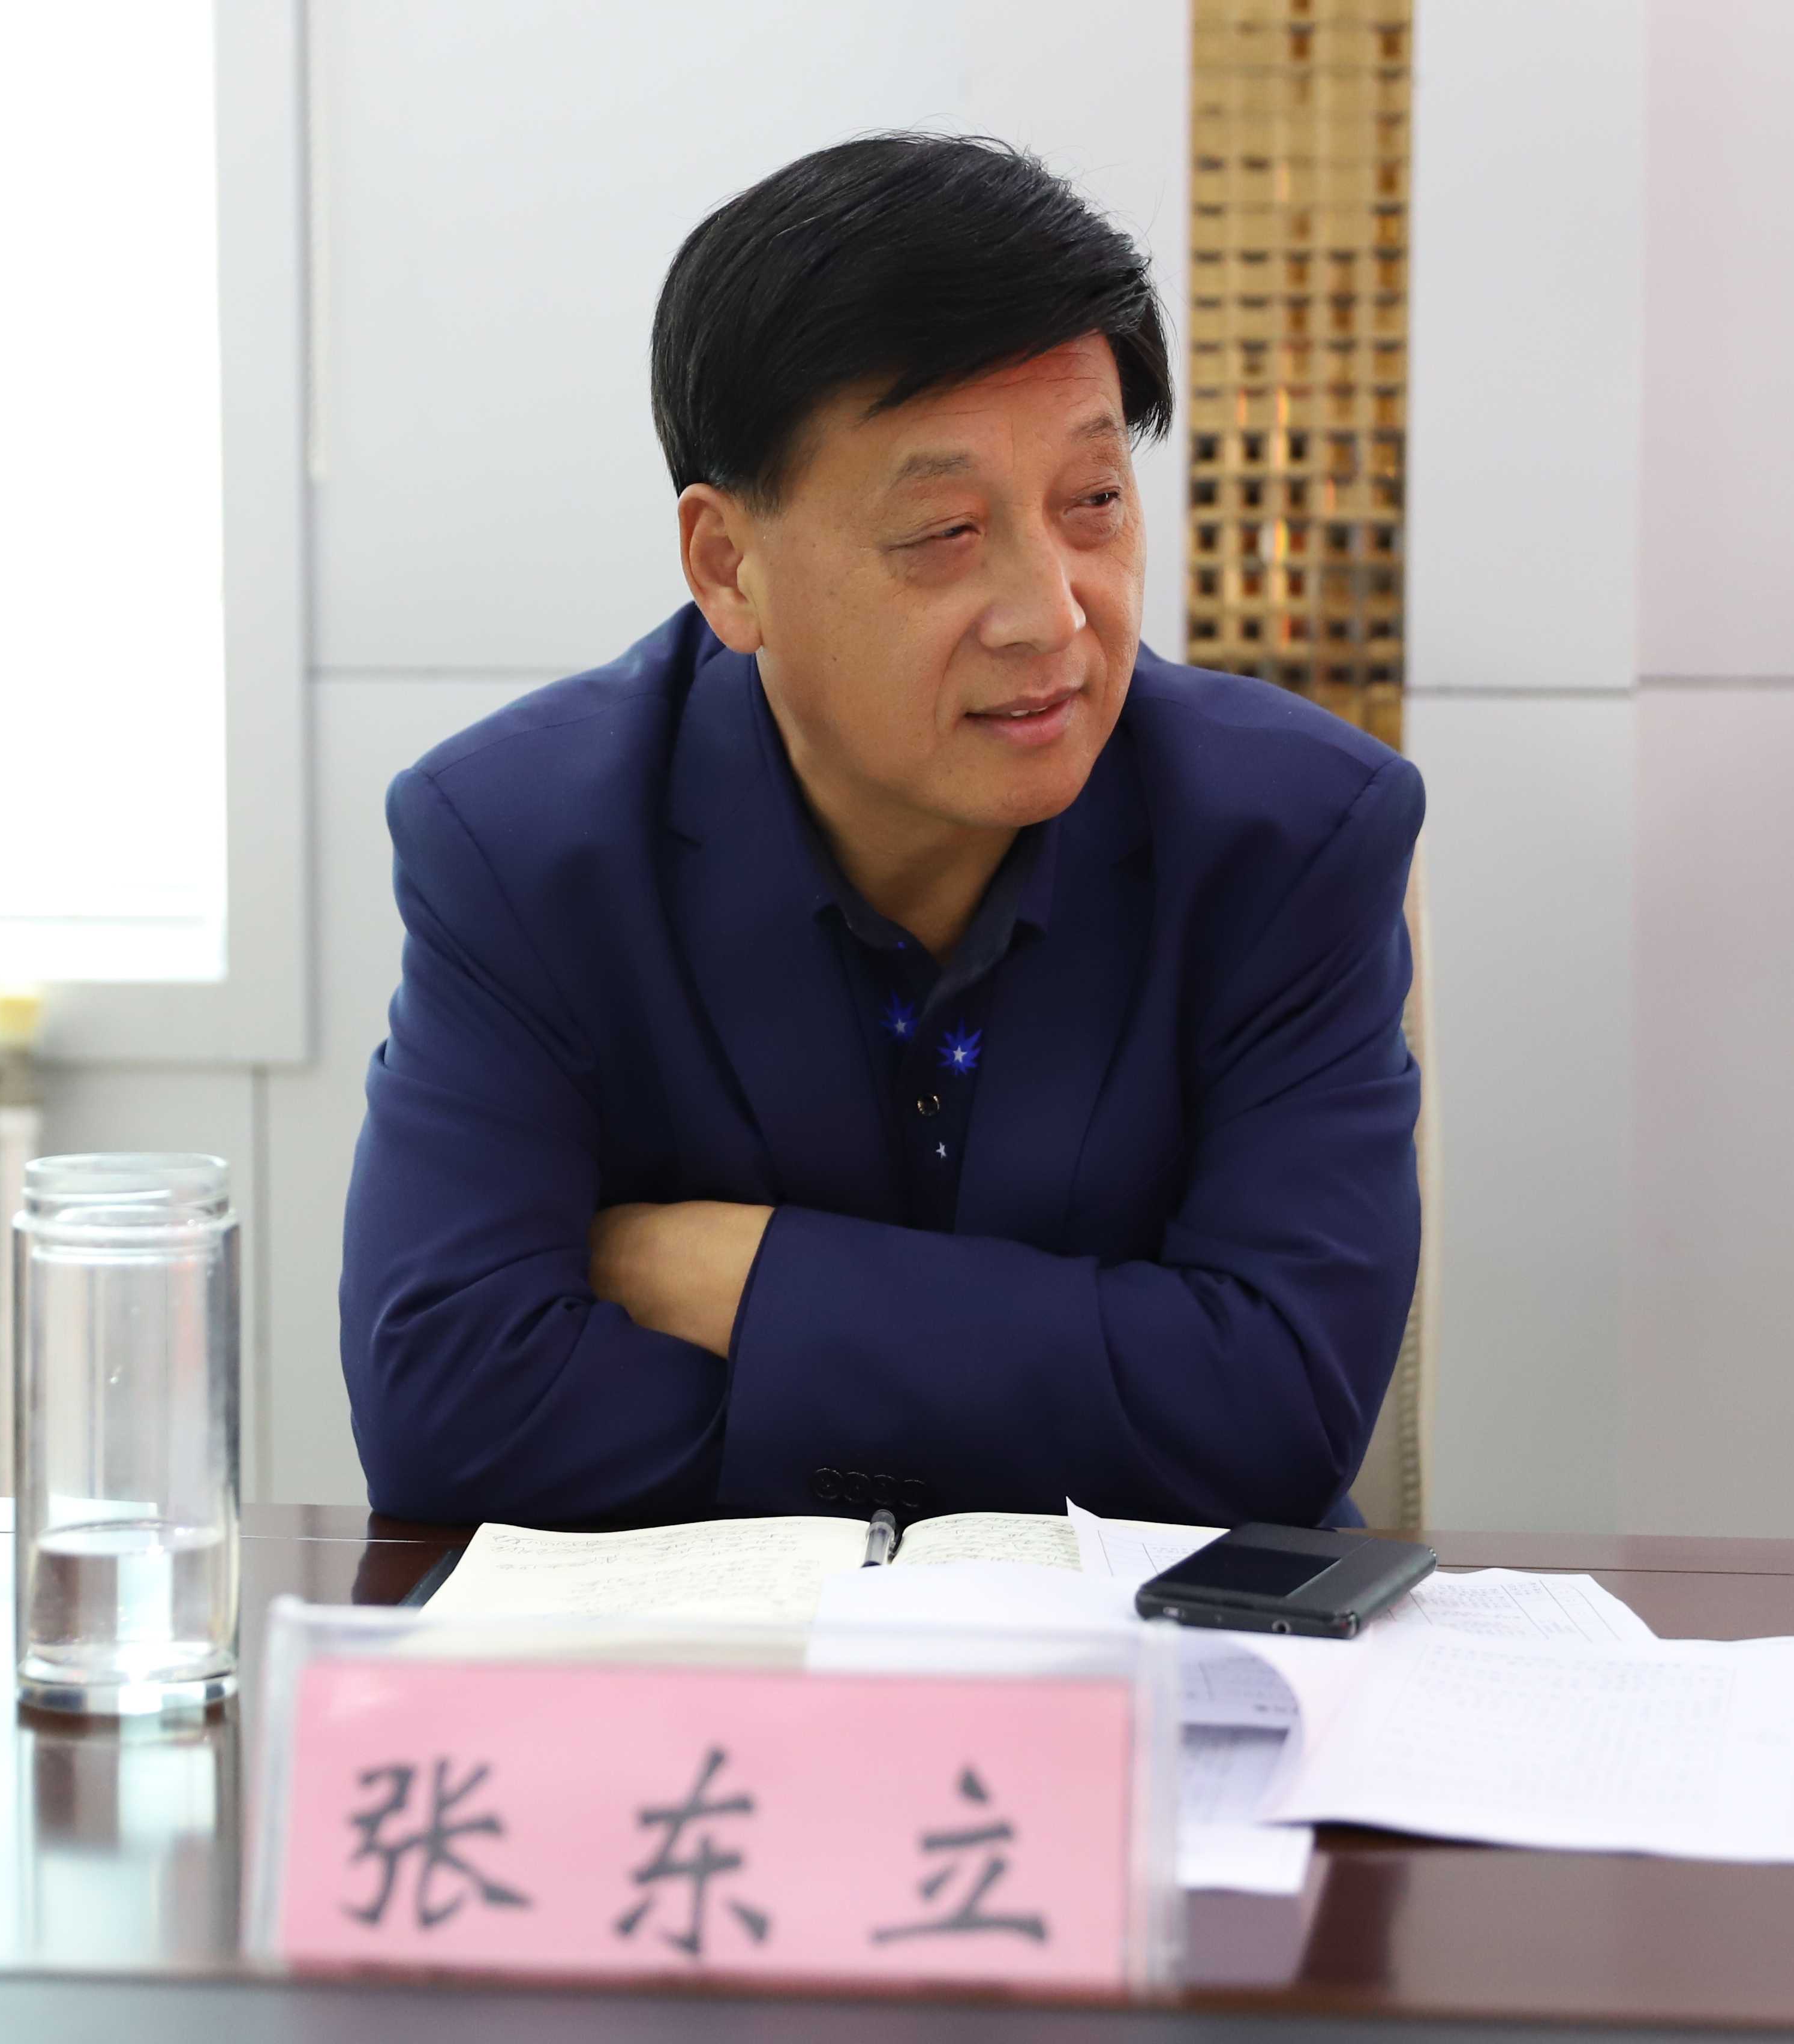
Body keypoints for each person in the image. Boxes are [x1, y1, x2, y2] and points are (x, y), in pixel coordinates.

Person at [340, 135, 1423, 1531]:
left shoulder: (1294, 836)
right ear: (728, 567)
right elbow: (451, 1413)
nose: (1052, 613)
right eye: (941, 533)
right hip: (707, 1662)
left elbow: (1274, 1421)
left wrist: (753, 1286)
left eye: (1092, 504)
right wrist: (1099, 1388)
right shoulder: (520, 846)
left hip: (1155, 1657)